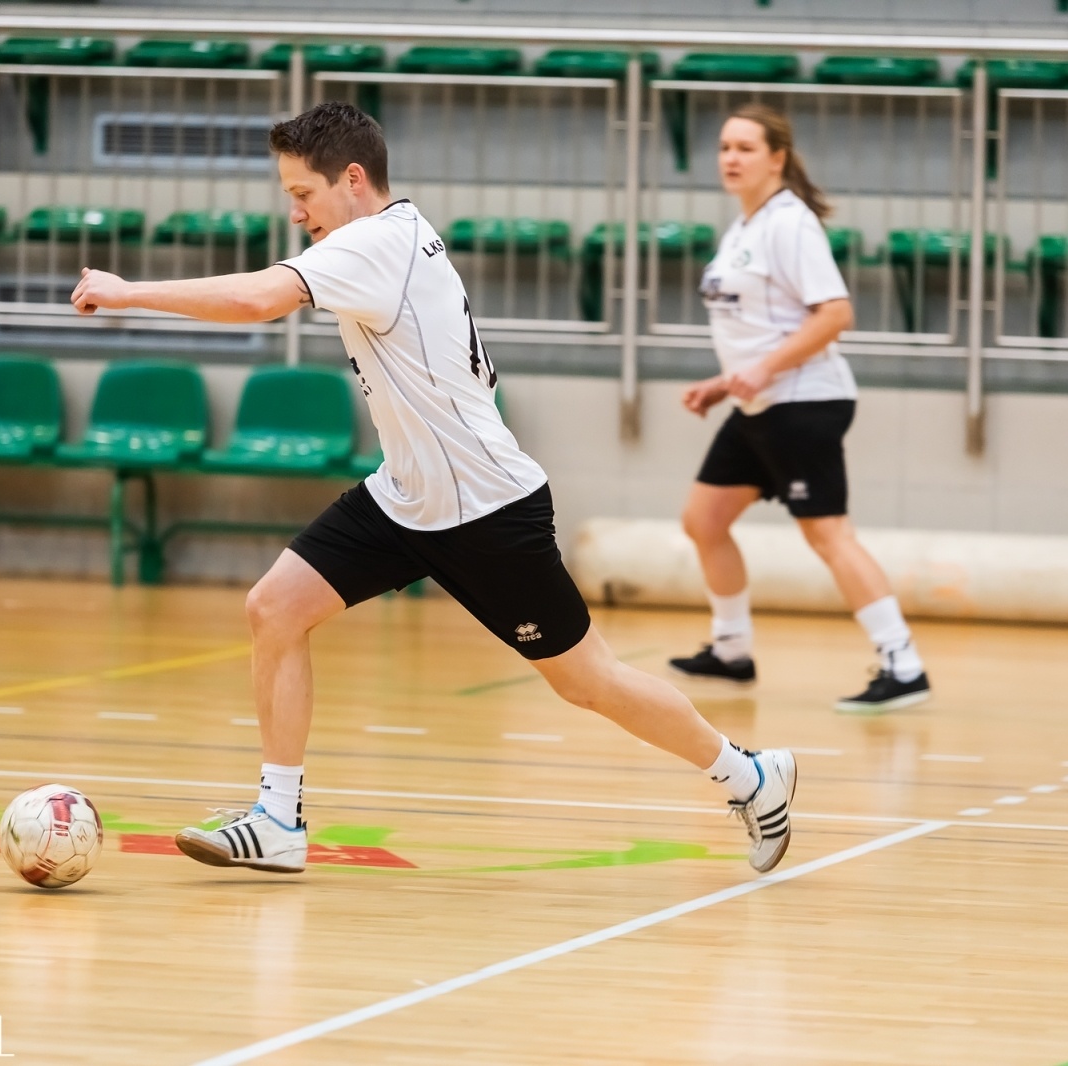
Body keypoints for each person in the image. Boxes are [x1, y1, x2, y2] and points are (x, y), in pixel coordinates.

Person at [70, 102, 796, 875]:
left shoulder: (378, 243)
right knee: (274, 609)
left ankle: (750, 776)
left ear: (353, 181)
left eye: (304, 194)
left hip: (487, 510)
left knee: (588, 683)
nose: (295, 212)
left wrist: (125, 293)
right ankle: (278, 818)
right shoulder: (387, 238)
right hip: (405, 496)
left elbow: (256, 300)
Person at [670, 103, 931, 714]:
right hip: (760, 401)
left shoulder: (790, 224)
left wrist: (760, 370)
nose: (730, 158)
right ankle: (732, 651)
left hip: (804, 401)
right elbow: (762, 330)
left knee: (829, 535)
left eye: (745, 148)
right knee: (704, 520)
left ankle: (902, 662)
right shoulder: (745, 226)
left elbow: (835, 315)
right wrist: (725, 381)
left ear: (777, 159)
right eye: (724, 147)